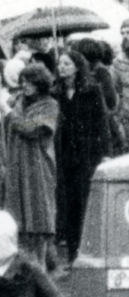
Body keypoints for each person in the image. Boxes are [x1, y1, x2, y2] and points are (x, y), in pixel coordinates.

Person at [0, 64, 59, 268]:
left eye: (29, 81)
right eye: (22, 81)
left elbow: (31, 129)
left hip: (38, 172)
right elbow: (0, 134)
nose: (24, 85)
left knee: (39, 223)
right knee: (18, 226)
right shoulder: (15, 102)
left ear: (40, 83)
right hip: (15, 171)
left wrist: (8, 114)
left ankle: (41, 269)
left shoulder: (50, 105)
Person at [54, 49, 110, 266]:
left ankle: (90, 253)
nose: (62, 67)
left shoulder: (92, 90)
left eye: (67, 63)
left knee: (87, 202)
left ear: (77, 66)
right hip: (65, 156)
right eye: (60, 64)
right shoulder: (55, 94)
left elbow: (102, 123)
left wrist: (105, 153)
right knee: (69, 205)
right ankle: (73, 256)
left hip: (88, 155)